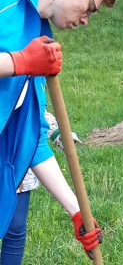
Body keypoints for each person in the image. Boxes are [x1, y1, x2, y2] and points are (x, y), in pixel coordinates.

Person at [0, 0, 116, 259]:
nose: (86, 20)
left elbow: (34, 137)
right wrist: (19, 62)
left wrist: (77, 211)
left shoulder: (40, 37)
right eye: (90, 7)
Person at [1, 111, 81, 265]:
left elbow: (36, 109)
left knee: (16, 228)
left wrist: (59, 133)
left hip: (20, 170)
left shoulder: (29, 86)